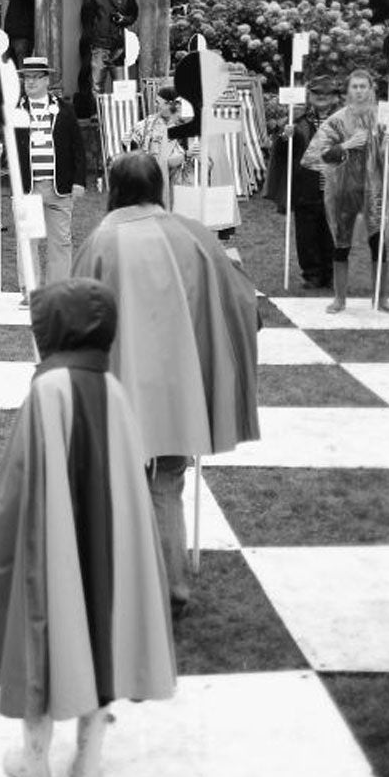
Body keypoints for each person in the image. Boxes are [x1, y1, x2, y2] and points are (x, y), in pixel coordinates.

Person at [0, 277, 177, 777]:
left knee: (46, 629)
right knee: (101, 627)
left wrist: (0, 538)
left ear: (55, 329)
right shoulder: (113, 390)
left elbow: (21, 478)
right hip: (108, 546)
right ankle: (89, 763)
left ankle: (36, 760)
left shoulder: (49, 389)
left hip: (51, 542)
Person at [74, 152, 260, 616]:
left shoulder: (101, 241)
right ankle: (170, 590)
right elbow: (244, 301)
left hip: (118, 389)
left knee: (124, 487)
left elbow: (75, 314)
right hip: (182, 391)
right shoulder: (193, 234)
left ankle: (131, 587)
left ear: (113, 189)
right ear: (158, 187)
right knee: (165, 487)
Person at [302, 68, 389, 312]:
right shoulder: (337, 121)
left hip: (375, 191)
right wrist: (345, 145)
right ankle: (339, 299)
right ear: (348, 91)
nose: (359, 91)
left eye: (364, 86)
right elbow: (318, 155)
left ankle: (381, 298)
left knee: (378, 243)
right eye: (355, 86)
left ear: (371, 89)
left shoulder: (384, 121)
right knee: (341, 244)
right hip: (344, 191)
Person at [10, 55, 88, 290]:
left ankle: (59, 289)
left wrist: (79, 181)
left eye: (35, 78)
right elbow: (8, 146)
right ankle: (30, 289)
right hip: (28, 186)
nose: (30, 83)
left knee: (61, 242)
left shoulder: (64, 110)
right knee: (28, 240)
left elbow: (78, 148)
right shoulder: (16, 110)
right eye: (26, 78)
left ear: (46, 80)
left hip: (59, 185)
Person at [261, 75, 337, 288]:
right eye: (317, 93)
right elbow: (283, 152)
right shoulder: (299, 120)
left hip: (334, 185)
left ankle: (330, 274)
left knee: (331, 233)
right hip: (306, 185)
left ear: (333, 97)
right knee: (307, 233)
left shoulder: (342, 119)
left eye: (326, 94)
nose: (321, 98)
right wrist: (286, 137)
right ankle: (312, 275)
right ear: (310, 95)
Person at [121, 86, 192, 209]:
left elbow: (184, 152)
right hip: (153, 177)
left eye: (159, 102)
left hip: (179, 178)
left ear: (169, 104)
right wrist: (127, 141)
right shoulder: (150, 122)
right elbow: (133, 139)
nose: (156, 105)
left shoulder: (184, 124)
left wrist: (186, 154)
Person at [82, 0, 138, 100]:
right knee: (96, 85)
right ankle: (98, 116)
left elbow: (133, 15)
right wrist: (93, 37)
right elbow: (87, 19)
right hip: (100, 46)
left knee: (120, 86)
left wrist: (123, 19)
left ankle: (119, 117)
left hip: (119, 47)